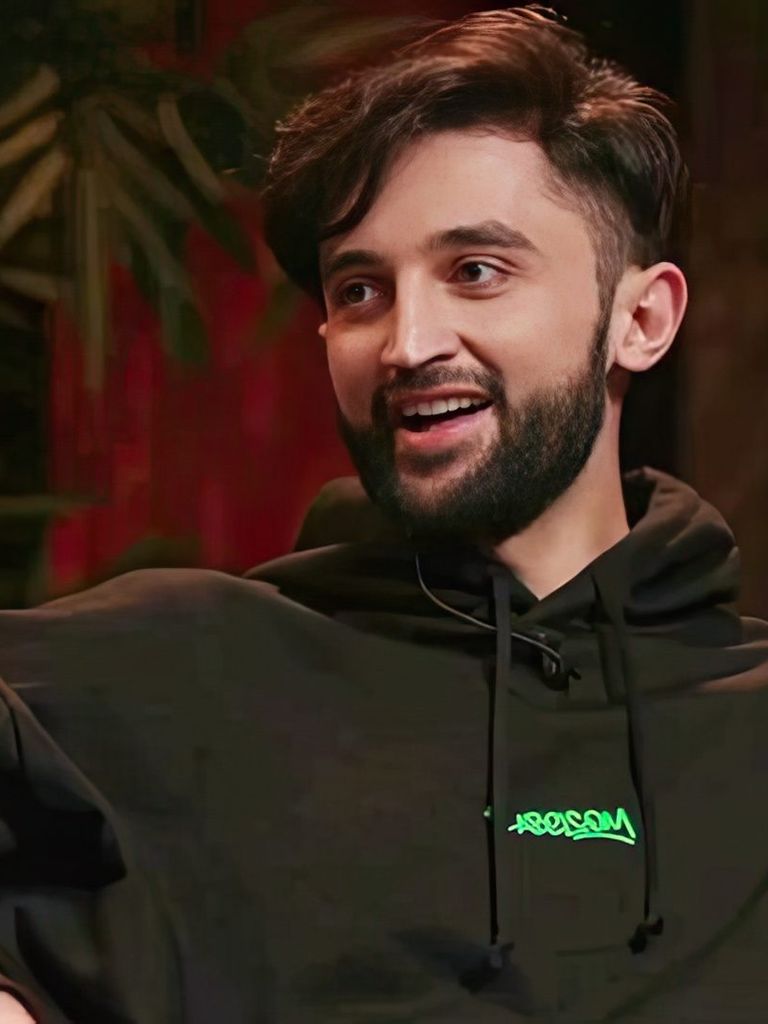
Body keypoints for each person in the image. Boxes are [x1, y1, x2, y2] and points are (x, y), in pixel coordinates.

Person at [1, 6, 768, 1022]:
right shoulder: (182, 668)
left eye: (475, 272)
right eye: (360, 290)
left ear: (642, 318)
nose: (407, 343)